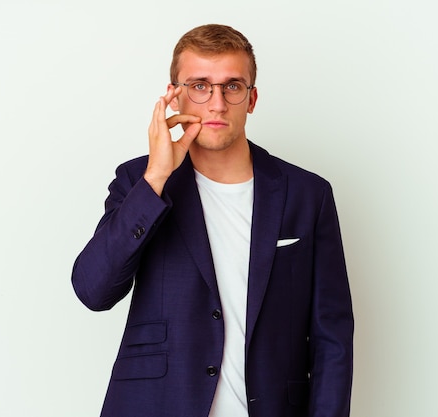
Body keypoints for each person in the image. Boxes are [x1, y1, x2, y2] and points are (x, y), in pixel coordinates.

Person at [72, 24, 353, 417]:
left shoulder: (308, 194)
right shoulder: (139, 182)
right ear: (175, 95)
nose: (217, 103)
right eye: (200, 85)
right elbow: (93, 290)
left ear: (252, 99)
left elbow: (332, 338)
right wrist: (156, 179)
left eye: (232, 87)